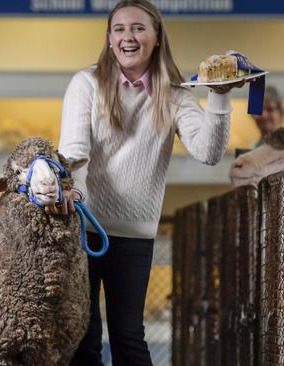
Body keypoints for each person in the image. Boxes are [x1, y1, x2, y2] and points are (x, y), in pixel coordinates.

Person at [50, 1, 243, 364]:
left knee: (128, 337)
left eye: (138, 28)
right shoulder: (86, 83)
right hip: (82, 230)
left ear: (156, 38)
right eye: (119, 29)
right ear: (109, 40)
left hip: (135, 235)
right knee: (83, 337)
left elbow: (208, 151)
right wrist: (75, 195)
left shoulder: (175, 94)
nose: (128, 37)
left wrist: (219, 96)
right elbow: (75, 151)